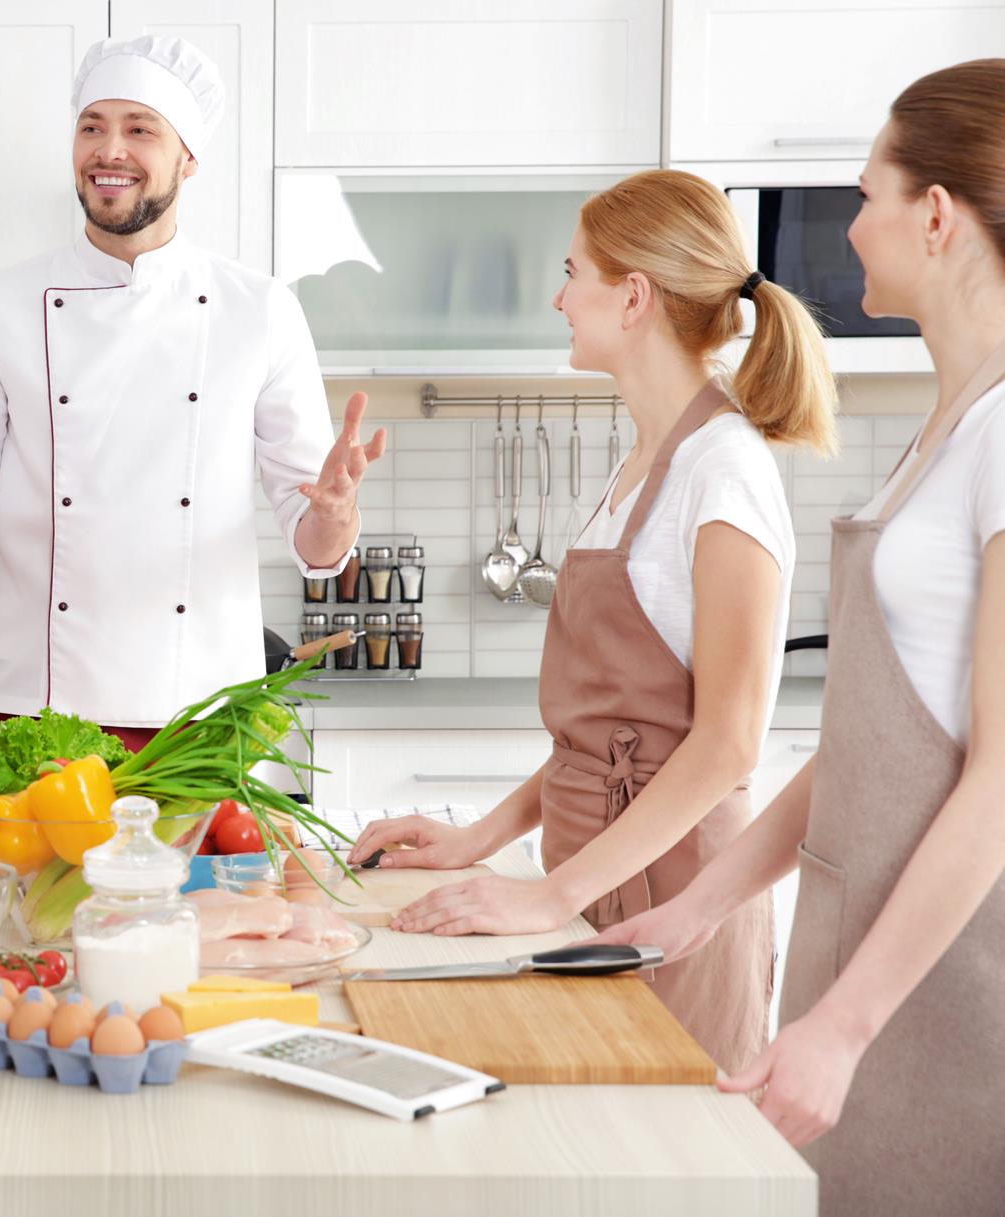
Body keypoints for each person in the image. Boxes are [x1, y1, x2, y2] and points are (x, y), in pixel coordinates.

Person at [592, 60, 1005, 1215]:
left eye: (868, 194)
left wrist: (844, 1023)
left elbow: (999, 780)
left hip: (945, 984)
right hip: (856, 950)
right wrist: (701, 900)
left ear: (937, 214)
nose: (852, 225)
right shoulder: (950, 428)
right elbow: (870, 744)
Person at [350, 168, 840, 1075]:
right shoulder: (641, 464)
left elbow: (730, 742)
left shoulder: (722, 472)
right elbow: (604, 738)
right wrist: (478, 841)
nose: (558, 296)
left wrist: (550, 895)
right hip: (593, 880)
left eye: (573, 272)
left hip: (671, 899)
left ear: (634, 296)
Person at [0, 35, 386, 777]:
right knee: (20, 896)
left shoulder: (260, 310)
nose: (109, 150)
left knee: (204, 898)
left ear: (189, 157)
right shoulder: (2, 306)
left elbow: (318, 548)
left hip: (196, 703)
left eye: (139, 128)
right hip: (30, 697)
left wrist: (334, 513)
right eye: (92, 125)